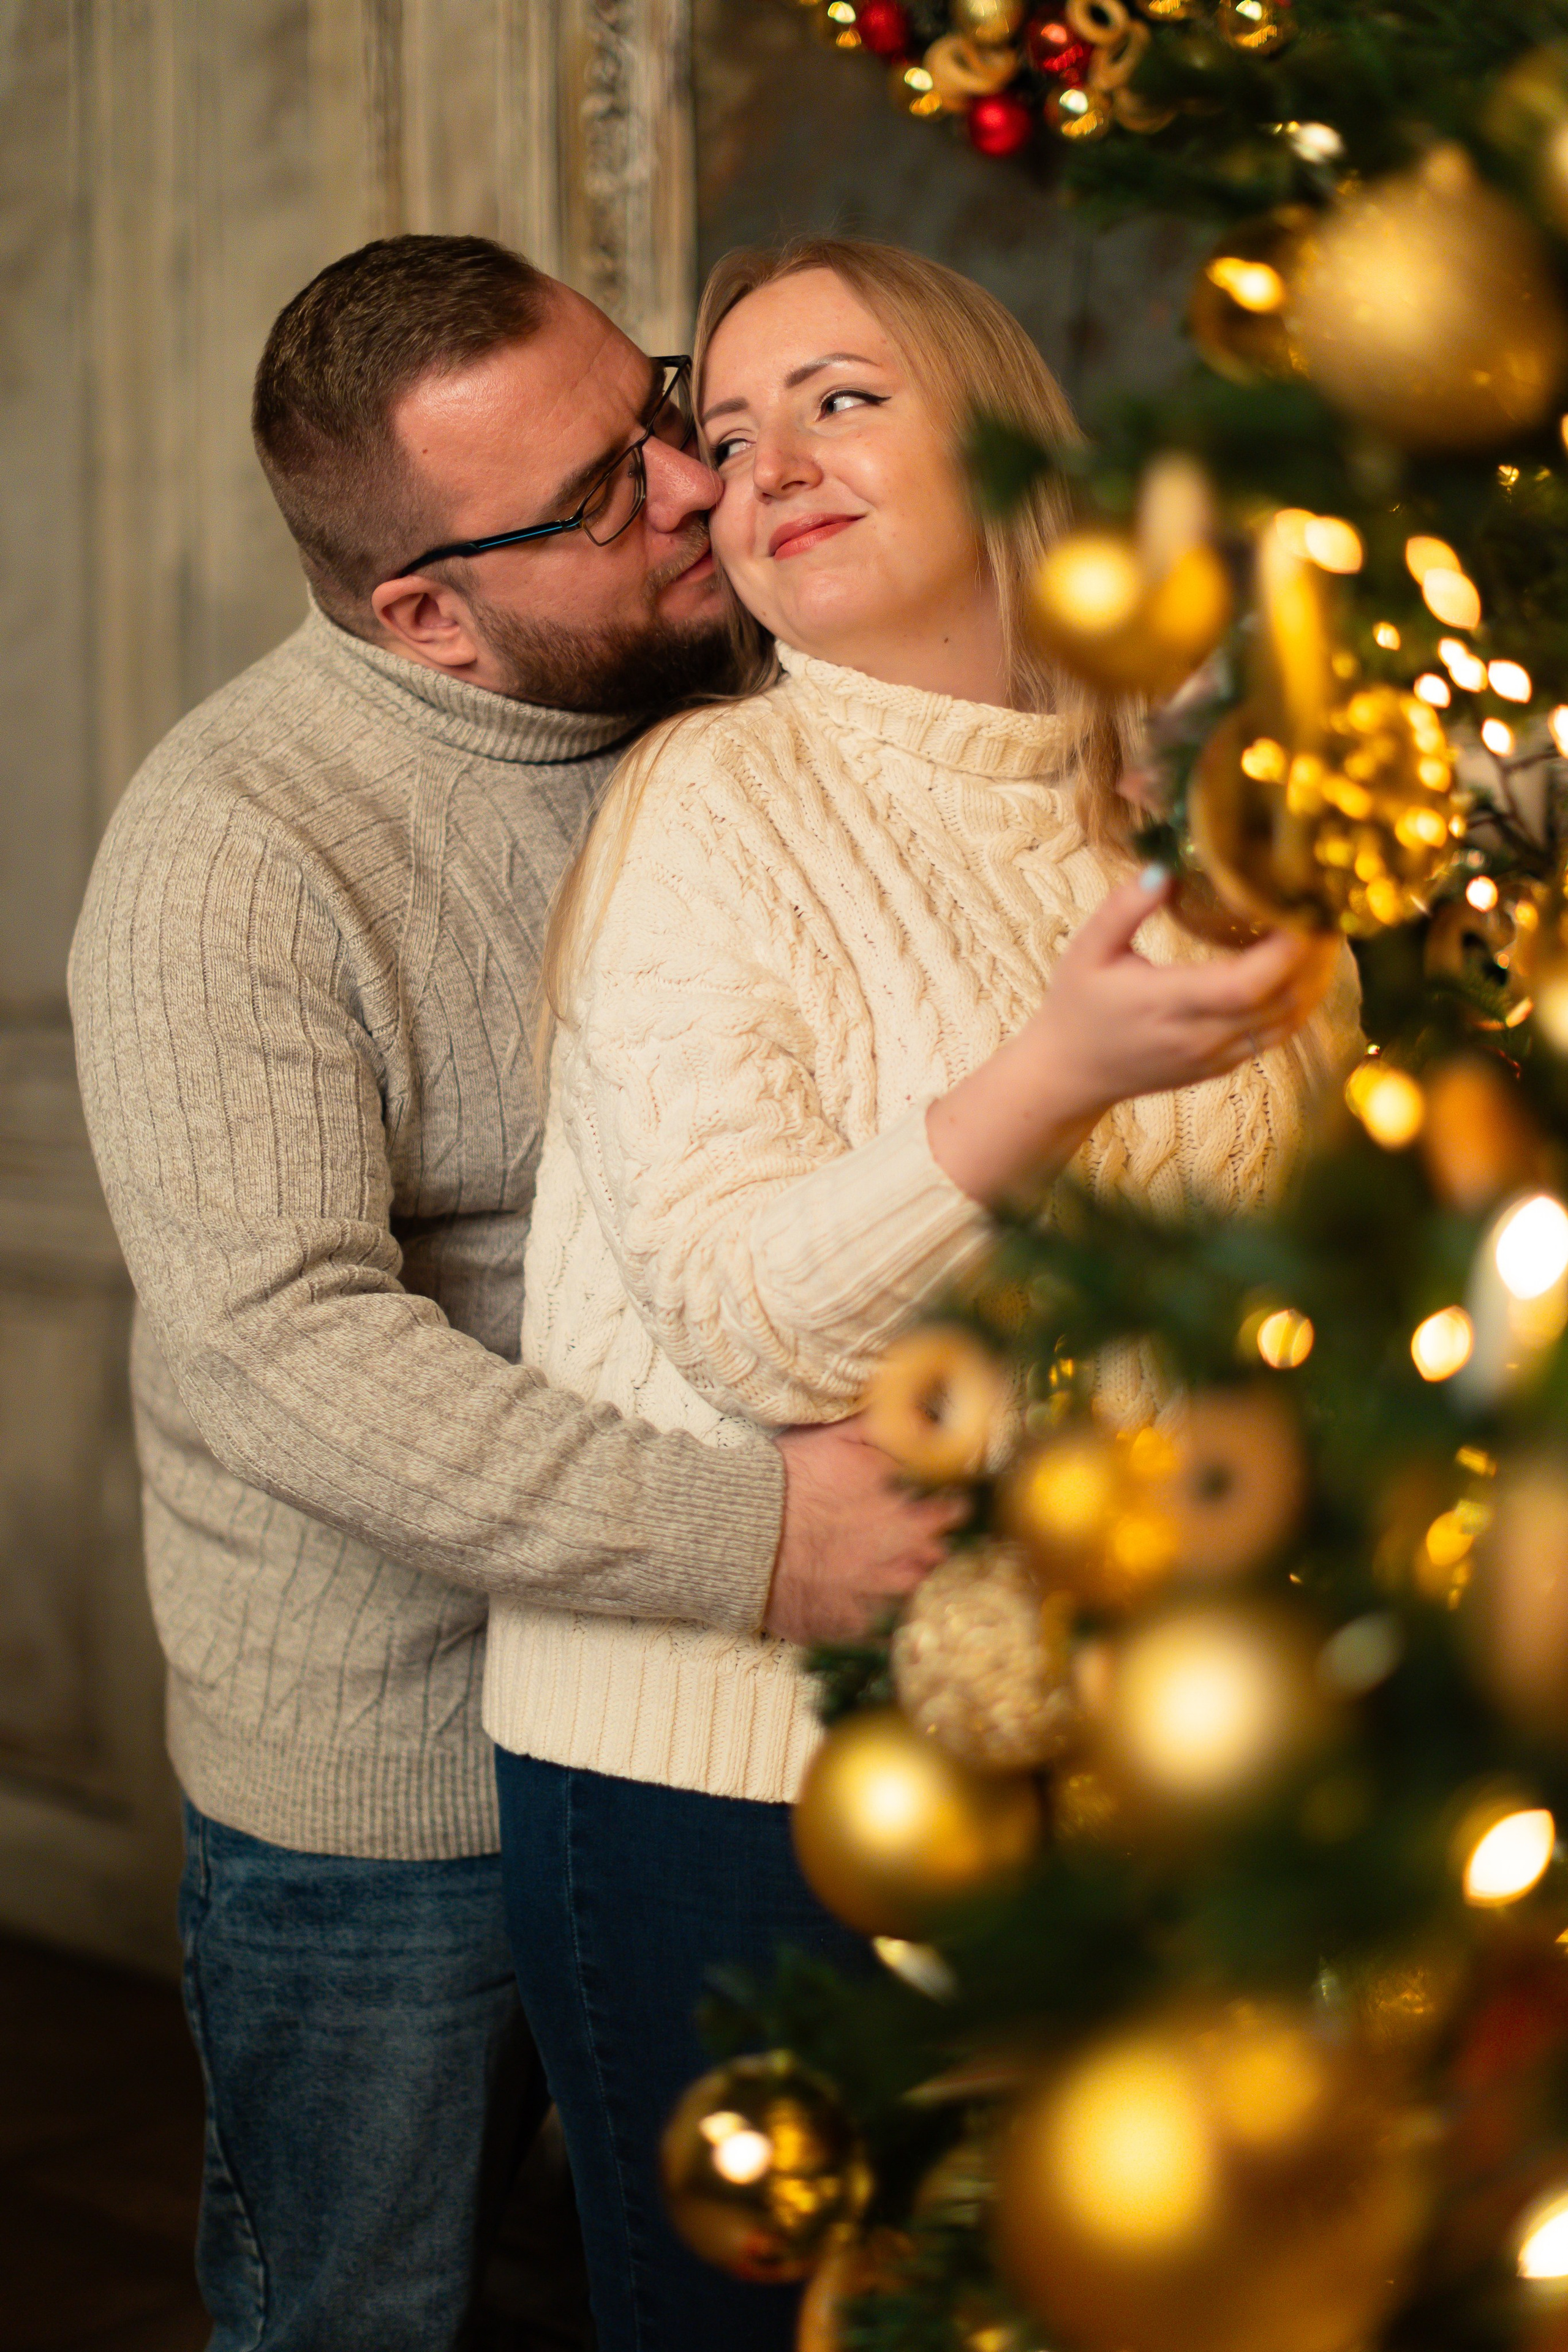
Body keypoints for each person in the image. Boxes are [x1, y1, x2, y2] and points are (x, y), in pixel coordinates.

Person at [67, 232, 957, 2352]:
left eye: (656, 410)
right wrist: (762, 1539)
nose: (686, 487)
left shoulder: (753, 690)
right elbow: (292, 1357)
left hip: (720, 1741)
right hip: (395, 1784)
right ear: (425, 613)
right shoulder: (236, 851)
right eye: (597, 497)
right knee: (366, 2313)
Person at [487, 235, 1362, 2352]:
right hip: (729, 1779)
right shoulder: (713, 803)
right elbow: (750, 1318)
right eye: (726, 427)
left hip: (1111, 1763)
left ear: (1000, 431)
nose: (761, 458)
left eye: (842, 399)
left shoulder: (1173, 825)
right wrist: (1052, 1080)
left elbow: (1288, 1299)